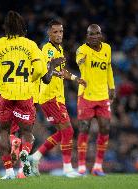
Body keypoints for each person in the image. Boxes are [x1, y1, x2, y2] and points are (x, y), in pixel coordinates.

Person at [0, 11, 64, 180]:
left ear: (6, 27)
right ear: (22, 27)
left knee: (3, 131)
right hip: (25, 94)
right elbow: (41, 71)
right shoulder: (31, 45)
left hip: (5, 94)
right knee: (27, 133)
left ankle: (9, 172)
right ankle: (25, 152)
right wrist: (29, 81)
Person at [29, 20, 85, 178]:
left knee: (62, 133)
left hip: (57, 97)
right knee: (68, 130)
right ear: (49, 33)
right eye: (55, 32)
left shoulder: (58, 49)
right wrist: (53, 66)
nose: (59, 35)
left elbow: (62, 71)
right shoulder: (47, 50)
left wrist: (76, 78)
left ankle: (35, 157)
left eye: (61, 31)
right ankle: (67, 169)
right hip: (50, 96)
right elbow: (45, 71)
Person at [76, 24, 115, 176]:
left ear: (100, 34)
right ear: (87, 36)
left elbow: (109, 68)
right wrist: (81, 61)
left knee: (105, 128)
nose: (94, 36)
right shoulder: (82, 50)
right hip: (86, 96)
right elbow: (79, 61)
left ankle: (98, 166)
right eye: (91, 34)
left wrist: (111, 87)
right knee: (84, 129)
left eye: (96, 33)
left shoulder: (107, 48)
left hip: (103, 95)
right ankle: (81, 166)